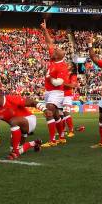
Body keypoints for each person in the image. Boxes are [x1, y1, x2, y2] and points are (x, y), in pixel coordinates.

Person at [0, 88, 42, 160]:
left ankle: (15, 152)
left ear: (0, 95)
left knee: (13, 121)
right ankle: (34, 143)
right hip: (17, 128)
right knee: (16, 148)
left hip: (29, 121)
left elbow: (32, 102)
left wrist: (45, 109)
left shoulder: (11, 99)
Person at [39, 20, 68, 148]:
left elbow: (58, 83)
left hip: (56, 91)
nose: (56, 50)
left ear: (62, 55)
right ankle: (61, 136)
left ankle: (52, 139)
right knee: (56, 114)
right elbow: (49, 42)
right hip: (48, 91)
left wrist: (49, 77)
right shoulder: (53, 58)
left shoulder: (63, 65)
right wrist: (45, 29)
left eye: (59, 50)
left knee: (49, 110)